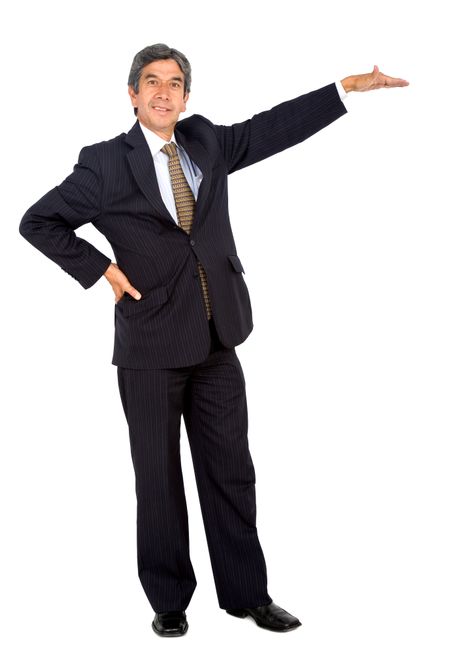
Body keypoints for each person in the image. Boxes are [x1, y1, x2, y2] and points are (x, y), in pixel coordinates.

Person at [19, 43, 408, 638]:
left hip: (217, 336)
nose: (163, 92)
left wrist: (344, 90)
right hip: (149, 348)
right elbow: (37, 221)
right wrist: (102, 269)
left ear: (186, 96)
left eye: (175, 83)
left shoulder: (203, 141)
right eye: (151, 82)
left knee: (232, 471)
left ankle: (248, 595)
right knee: (157, 477)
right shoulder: (102, 163)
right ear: (132, 93)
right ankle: (169, 600)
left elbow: (268, 130)